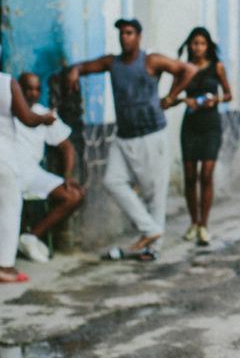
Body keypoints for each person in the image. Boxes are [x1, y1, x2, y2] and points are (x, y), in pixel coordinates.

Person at [65, 19, 196, 261]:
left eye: (129, 33)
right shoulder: (112, 63)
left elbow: (188, 70)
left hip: (151, 133)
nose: (124, 37)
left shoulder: (150, 60)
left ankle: (153, 247)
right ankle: (151, 229)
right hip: (124, 135)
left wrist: (170, 98)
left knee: (155, 192)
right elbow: (86, 66)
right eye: (122, 33)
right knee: (112, 181)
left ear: (139, 36)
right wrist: (75, 70)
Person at [168, 27, 232, 246]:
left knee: (206, 174)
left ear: (208, 46)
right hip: (190, 126)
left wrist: (216, 99)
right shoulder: (183, 69)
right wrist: (184, 100)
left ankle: (204, 225)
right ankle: (193, 222)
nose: (198, 48)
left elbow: (229, 94)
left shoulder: (217, 67)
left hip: (211, 126)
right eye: (195, 43)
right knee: (189, 176)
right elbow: (171, 98)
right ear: (190, 45)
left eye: (202, 43)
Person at [15, 72, 86, 263]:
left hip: (33, 173)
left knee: (75, 194)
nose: (32, 93)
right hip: (11, 173)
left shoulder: (44, 114)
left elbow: (68, 148)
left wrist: (68, 175)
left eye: (37, 89)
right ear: (19, 89)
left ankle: (30, 237)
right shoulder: (8, 111)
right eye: (28, 88)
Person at [0, 68, 56, 283]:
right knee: (10, 208)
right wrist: (45, 118)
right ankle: (5, 267)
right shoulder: (6, 83)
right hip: (3, 155)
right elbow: (28, 118)